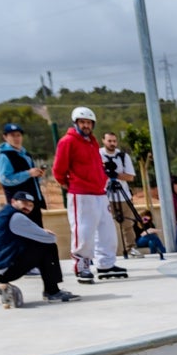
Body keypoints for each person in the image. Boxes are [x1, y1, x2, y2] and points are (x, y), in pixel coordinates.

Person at [51, 106, 125, 283]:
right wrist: (67, 183)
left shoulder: (92, 142)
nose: (86, 125)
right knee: (83, 231)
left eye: (89, 123)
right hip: (81, 193)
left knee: (107, 231)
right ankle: (81, 265)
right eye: (82, 122)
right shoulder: (67, 141)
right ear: (76, 123)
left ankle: (106, 263)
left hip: (100, 192)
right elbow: (59, 168)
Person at [0, 191, 79, 303]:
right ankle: (52, 291)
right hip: (3, 271)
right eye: (24, 203)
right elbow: (51, 238)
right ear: (13, 201)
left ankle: (5, 286)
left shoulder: (5, 213)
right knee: (48, 248)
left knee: (36, 245)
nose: (27, 207)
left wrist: (38, 233)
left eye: (30, 205)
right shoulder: (17, 217)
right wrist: (42, 232)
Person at [0, 123, 47, 226]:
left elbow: (30, 178)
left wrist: (37, 176)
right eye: (12, 135)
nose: (16, 138)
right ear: (5, 137)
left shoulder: (26, 154)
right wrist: (28, 174)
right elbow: (5, 179)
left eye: (18, 135)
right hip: (19, 204)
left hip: (32, 201)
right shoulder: (5, 156)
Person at [100, 131, 140, 257]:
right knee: (103, 224)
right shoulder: (97, 155)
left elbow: (130, 177)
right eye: (109, 141)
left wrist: (115, 175)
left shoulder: (123, 156)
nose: (112, 143)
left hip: (123, 195)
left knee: (127, 223)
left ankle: (131, 248)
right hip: (104, 194)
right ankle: (104, 251)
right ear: (103, 140)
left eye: (114, 141)